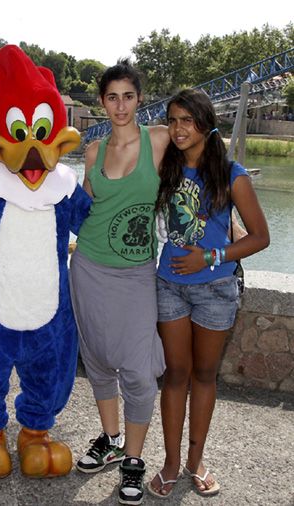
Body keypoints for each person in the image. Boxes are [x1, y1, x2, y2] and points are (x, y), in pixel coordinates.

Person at [148, 89, 269, 498]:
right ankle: (169, 462)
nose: (178, 129)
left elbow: (260, 237)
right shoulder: (164, 167)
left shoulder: (232, 174)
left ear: (206, 124)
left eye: (187, 120)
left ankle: (195, 461)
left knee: (203, 374)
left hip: (215, 288)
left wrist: (210, 257)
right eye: (173, 120)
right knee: (175, 374)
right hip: (169, 286)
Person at [69, 59, 170, 505]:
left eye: (129, 96)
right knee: (97, 359)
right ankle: (110, 440)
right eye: (112, 97)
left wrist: (231, 229)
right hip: (89, 266)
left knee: (138, 370)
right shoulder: (93, 152)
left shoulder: (161, 139)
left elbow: (210, 162)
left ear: (140, 98)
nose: (121, 105)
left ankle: (134, 458)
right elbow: (83, 209)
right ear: (102, 102)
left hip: (136, 273)